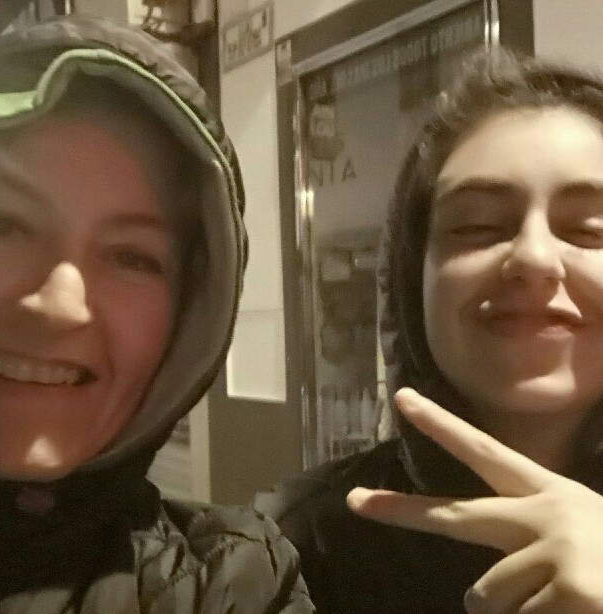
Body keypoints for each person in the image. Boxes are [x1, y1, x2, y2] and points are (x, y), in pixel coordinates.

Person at [255, 47, 603, 613]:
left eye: (590, 229)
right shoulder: (291, 550)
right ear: (409, 280)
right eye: (476, 226)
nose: (534, 257)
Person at [0, 15, 314, 613]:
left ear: (185, 321)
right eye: (1, 225)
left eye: (131, 257)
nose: (59, 305)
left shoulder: (234, 587)